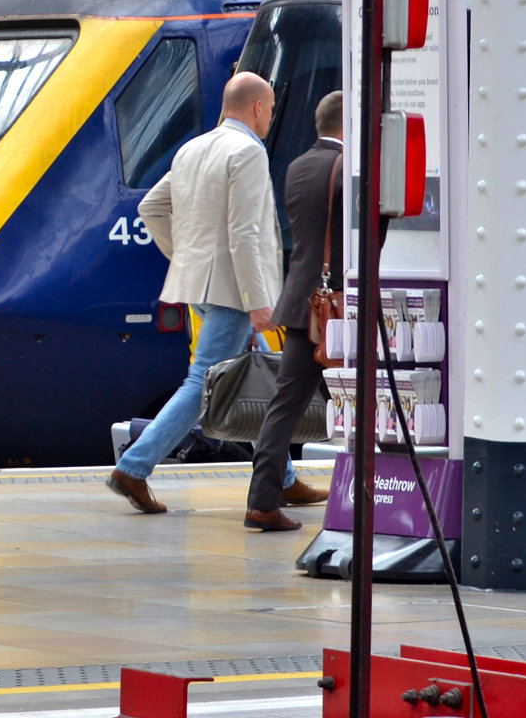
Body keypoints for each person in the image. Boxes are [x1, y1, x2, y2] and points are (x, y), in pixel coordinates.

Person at [105, 71, 322, 523]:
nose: (270, 119)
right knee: (204, 384)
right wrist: (257, 299)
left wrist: (187, 256)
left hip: (199, 285)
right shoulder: (247, 152)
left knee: (263, 382)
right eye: (271, 110)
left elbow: (151, 207)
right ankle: (133, 467)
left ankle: (282, 478)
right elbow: (245, 233)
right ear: (259, 108)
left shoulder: (192, 148)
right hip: (233, 291)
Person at [245, 91, 346, 530]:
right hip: (340, 309)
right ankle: (373, 495)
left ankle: (262, 501)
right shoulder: (348, 170)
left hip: (302, 303)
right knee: (365, 406)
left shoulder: (296, 167)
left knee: (285, 406)